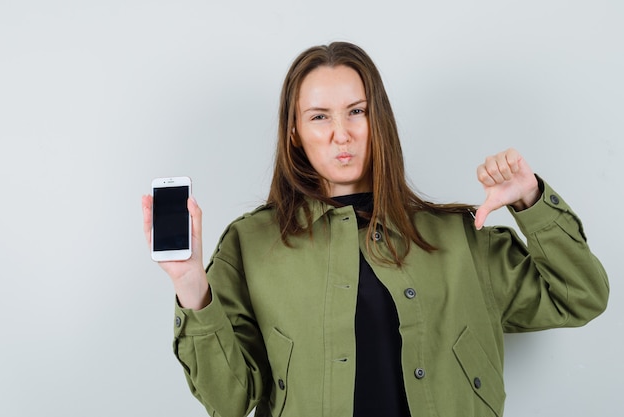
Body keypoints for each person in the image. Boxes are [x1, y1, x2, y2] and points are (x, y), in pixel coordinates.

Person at [141, 42, 609, 417]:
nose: (340, 133)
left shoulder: (458, 237)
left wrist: (531, 201)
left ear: (378, 120)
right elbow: (229, 402)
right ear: (294, 132)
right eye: (319, 116)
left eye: (357, 111)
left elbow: (580, 295)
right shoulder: (250, 244)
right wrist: (190, 286)